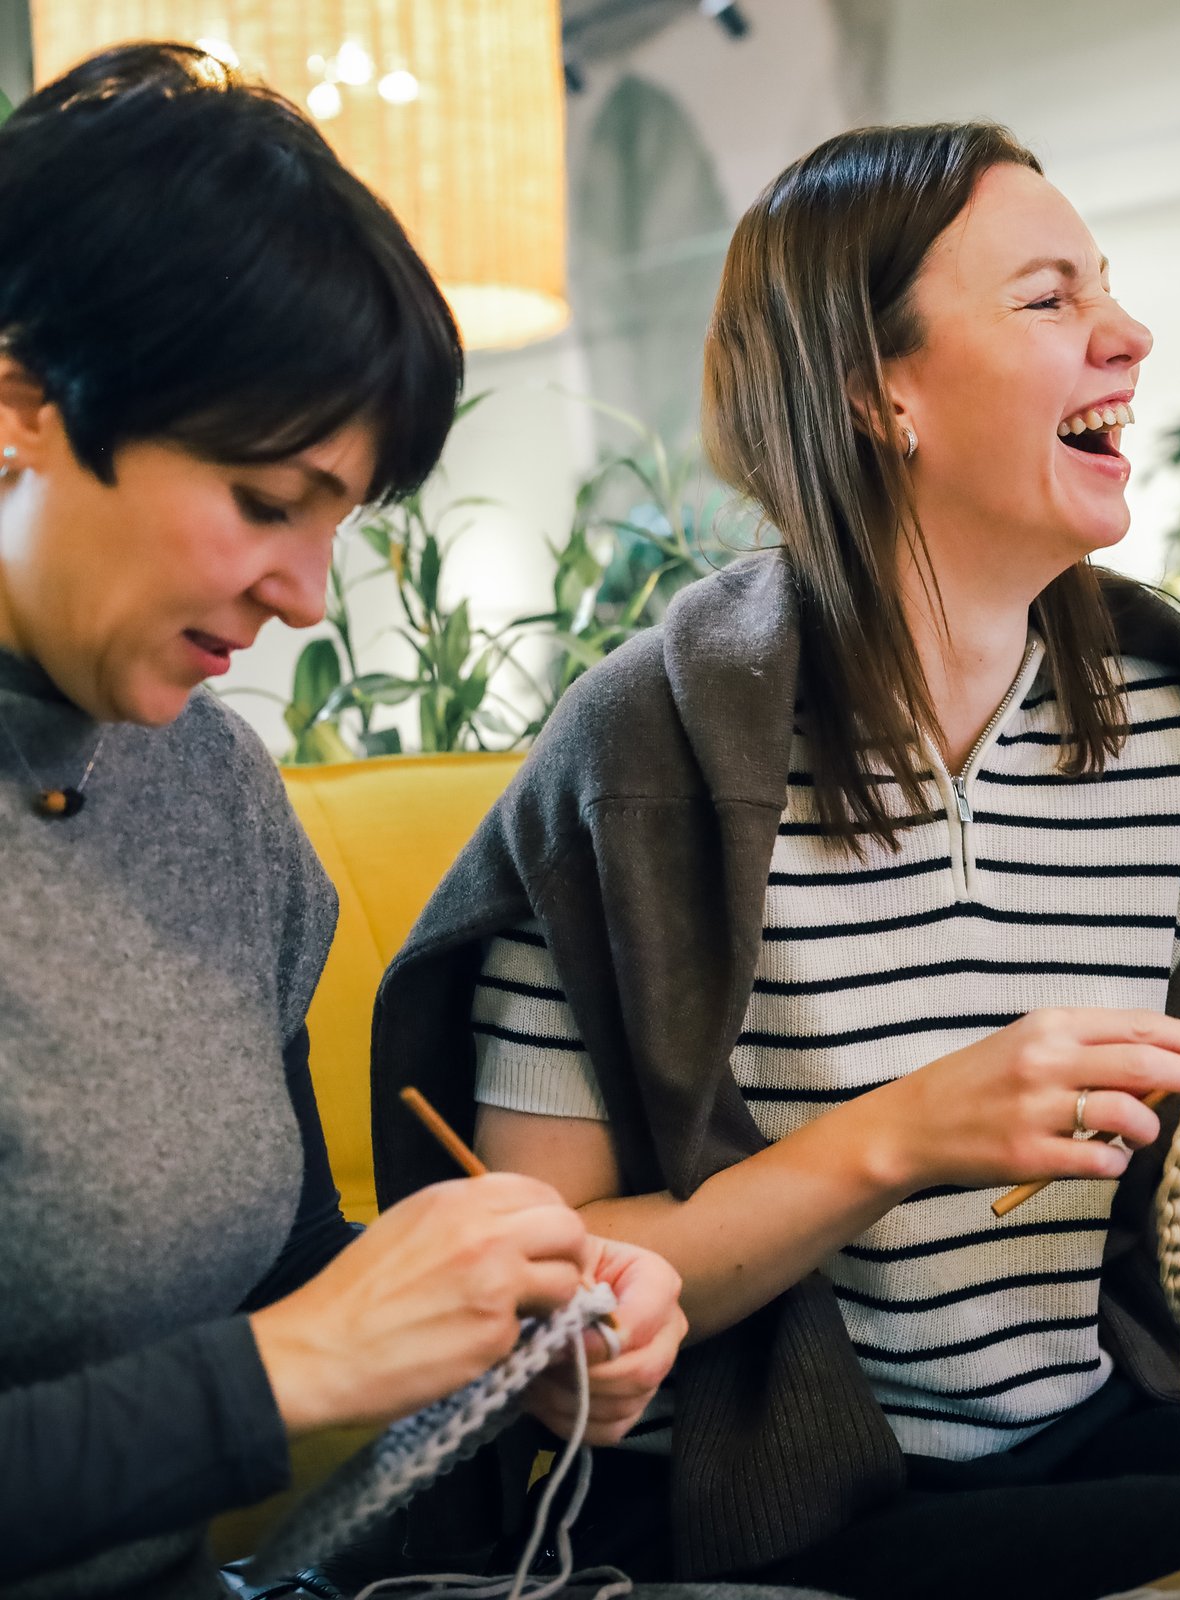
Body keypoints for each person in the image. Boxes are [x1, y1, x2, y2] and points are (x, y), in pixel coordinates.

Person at [373, 123, 1180, 1600]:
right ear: (874, 388)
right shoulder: (645, 752)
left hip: (1085, 1421)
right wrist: (901, 1136)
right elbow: (551, 1273)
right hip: (760, 1502)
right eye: (1049, 299)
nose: (1127, 333)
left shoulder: (1175, 726)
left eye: (1106, 286)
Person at [0, 44, 687, 1600]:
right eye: (265, 502)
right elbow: (287, 1346)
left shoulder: (214, 796)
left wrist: (506, 1321)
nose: (308, 599)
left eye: (338, 522)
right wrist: (296, 1365)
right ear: (25, 401)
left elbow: (288, 1265)